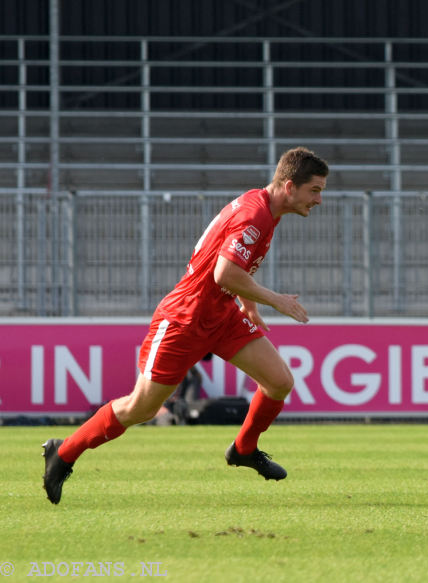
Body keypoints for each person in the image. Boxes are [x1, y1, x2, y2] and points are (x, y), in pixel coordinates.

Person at [42, 146, 329, 504]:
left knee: (279, 381)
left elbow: (237, 269)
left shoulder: (264, 207)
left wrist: (249, 307)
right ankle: (63, 452)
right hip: (184, 318)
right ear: (289, 186)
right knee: (141, 408)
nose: (319, 200)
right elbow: (225, 272)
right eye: (315, 190)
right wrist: (277, 300)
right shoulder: (255, 216)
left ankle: (243, 448)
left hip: (221, 314)